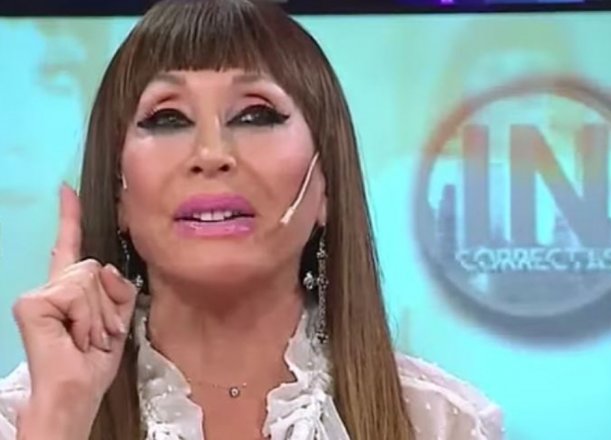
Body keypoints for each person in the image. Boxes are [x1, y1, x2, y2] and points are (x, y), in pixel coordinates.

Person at [0, 0, 504, 439]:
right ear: (118, 196)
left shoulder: (442, 422)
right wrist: (62, 414)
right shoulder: (20, 419)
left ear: (326, 184)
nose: (211, 154)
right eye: (168, 118)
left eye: (255, 115)